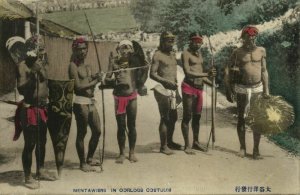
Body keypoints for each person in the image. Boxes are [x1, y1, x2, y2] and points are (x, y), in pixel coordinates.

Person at [15, 35, 56, 189]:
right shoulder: (23, 66)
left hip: (42, 108)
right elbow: (21, 89)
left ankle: (41, 170)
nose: (41, 52)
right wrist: (33, 74)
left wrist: (40, 68)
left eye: (42, 48)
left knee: (42, 141)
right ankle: (27, 176)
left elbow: (46, 81)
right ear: (29, 50)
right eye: (38, 49)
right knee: (30, 143)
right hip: (29, 108)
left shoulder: (42, 64)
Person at [224, 25, 270, 159]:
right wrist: (228, 88)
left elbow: (264, 71)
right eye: (248, 36)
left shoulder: (261, 51)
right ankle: (242, 148)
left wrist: (266, 90)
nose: (251, 38)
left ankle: (256, 150)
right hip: (242, 89)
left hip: (257, 88)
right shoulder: (237, 52)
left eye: (253, 36)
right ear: (243, 37)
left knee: (258, 120)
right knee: (241, 118)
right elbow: (227, 69)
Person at [105, 40, 148, 164]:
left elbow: (143, 75)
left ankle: (132, 153)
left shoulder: (135, 63)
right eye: (123, 48)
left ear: (132, 50)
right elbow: (107, 78)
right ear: (118, 50)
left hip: (132, 97)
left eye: (128, 48)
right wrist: (115, 82)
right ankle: (122, 153)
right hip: (119, 97)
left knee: (132, 125)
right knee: (121, 126)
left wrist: (145, 68)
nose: (125, 51)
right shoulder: (114, 63)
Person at [68, 36, 102, 171]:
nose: (82, 52)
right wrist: (95, 81)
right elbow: (77, 87)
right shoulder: (72, 66)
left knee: (97, 131)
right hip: (80, 102)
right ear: (74, 50)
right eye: (79, 49)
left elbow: (88, 80)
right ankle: (82, 163)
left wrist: (96, 76)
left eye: (84, 49)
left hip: (91, 101)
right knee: (82, 133)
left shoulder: (88, 66)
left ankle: (89, 158)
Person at [181, 33, 216, 155]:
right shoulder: (185, 53)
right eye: (195, 41)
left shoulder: (199, 54)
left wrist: (212, 83)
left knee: (197, 116)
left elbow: (200, 73)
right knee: (187, 116)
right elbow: (188, 72)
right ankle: (187, 145)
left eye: (199, 42)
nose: (197, 44)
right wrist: (207, 75)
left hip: (199, 88)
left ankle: (195, 142)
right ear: (190, 41)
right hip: (188, 87)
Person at [150, 31, 182, 155]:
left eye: (172, 41)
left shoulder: (173, 54)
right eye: (168, 41)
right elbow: (152, 74)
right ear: (162, 41)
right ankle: (163, 146)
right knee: (165, 117)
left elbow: (174, 73)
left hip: (173, 90)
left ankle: (170, 142)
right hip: (162, 90)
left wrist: (176, 91)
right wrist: (165, 82)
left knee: (173, 117)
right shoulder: (157, 55)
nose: (171, 43)